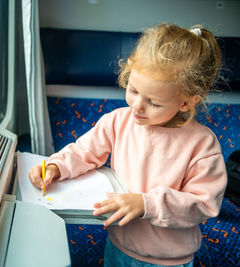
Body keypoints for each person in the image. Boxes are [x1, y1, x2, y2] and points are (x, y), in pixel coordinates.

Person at [29, 23, 227, 267]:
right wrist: (56, 166)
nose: (136, 106)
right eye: (133, 90)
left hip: (169, 259)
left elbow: (204, 204)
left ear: (186, 102)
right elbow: (84, 152)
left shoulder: (202, 144)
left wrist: (147, 204)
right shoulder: (118, 121)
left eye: (153, 103)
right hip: (118, 245)